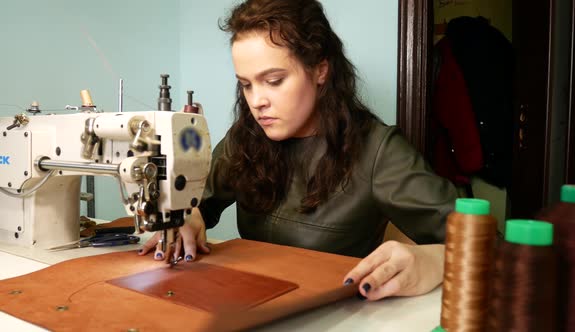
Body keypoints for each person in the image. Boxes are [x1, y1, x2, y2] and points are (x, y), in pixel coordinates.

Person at [139, 0, 457, 301]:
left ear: (320, 70)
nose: (256, 101)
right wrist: (190, 217)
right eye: (246, 85)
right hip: (250, 307)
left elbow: (487, 246)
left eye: (274, 80)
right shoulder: (246, 137)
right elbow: (194, 202)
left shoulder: (378, 150)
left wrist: (435, 259)